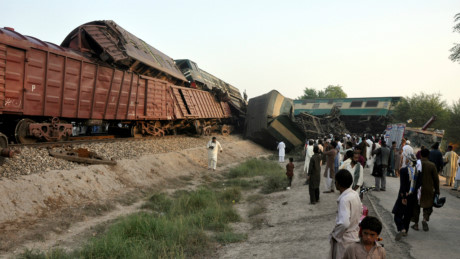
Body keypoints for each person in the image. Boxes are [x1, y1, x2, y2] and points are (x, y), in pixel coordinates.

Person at [329, 169, 362, 259]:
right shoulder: (355, 194)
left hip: (345, 239)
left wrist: (336, 235)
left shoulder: (344, 199)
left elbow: (344, 223)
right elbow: (361, 211)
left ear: (338, 184)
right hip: (354, 235)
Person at [411, 148, 440, 232]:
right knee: (428, 205)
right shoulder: (432, 165)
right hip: (428, 189)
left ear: (420, 155)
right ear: (428, 155)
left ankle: (416, 225)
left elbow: (412, 176)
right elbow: (436, 179)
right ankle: (424, 219)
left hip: (417, 189)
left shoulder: (417, 163)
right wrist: (437, 190)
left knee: (416, 206)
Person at [392, 153, 417, 241]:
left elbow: (403, 185)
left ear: (409, 160)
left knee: (397, 214)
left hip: (403, 196)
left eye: (406, 159)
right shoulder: (417, 171)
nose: (405, 160)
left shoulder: (403, 170)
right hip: (412, 197)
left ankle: (401, 228)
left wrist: (403, 197)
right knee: (407, 214)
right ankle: (405, 231)